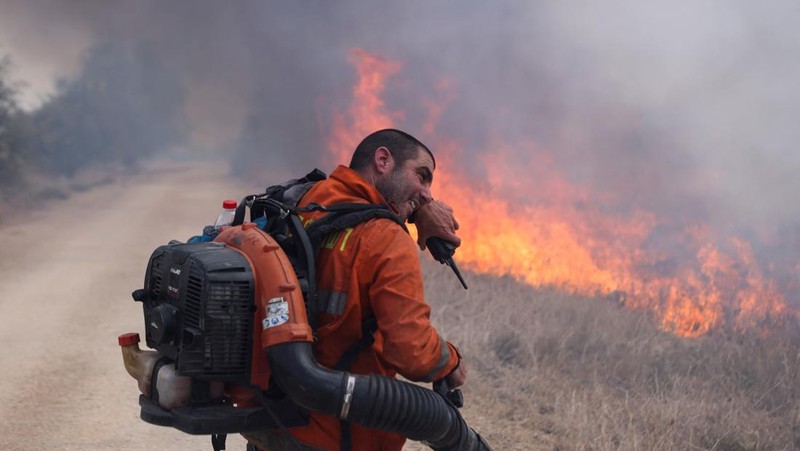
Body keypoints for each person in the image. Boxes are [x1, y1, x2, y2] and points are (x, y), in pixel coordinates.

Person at [245, 129, 466, 451]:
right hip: (337, 434)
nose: (428, 194)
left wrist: (418, 211)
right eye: (422, 176)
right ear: (382, 160)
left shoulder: (303, 202)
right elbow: (412, 351)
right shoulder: (386, 239)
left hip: (272, 419)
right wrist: (451, 361)